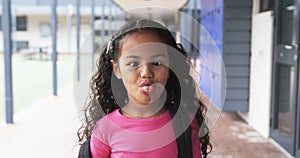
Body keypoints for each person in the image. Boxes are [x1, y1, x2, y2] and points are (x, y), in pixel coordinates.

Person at [77, 19, 212, 158]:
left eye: (157, 62)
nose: (146, 72)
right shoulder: (105, 129)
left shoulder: (185, 123)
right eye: (133, 63)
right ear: (117, 69)